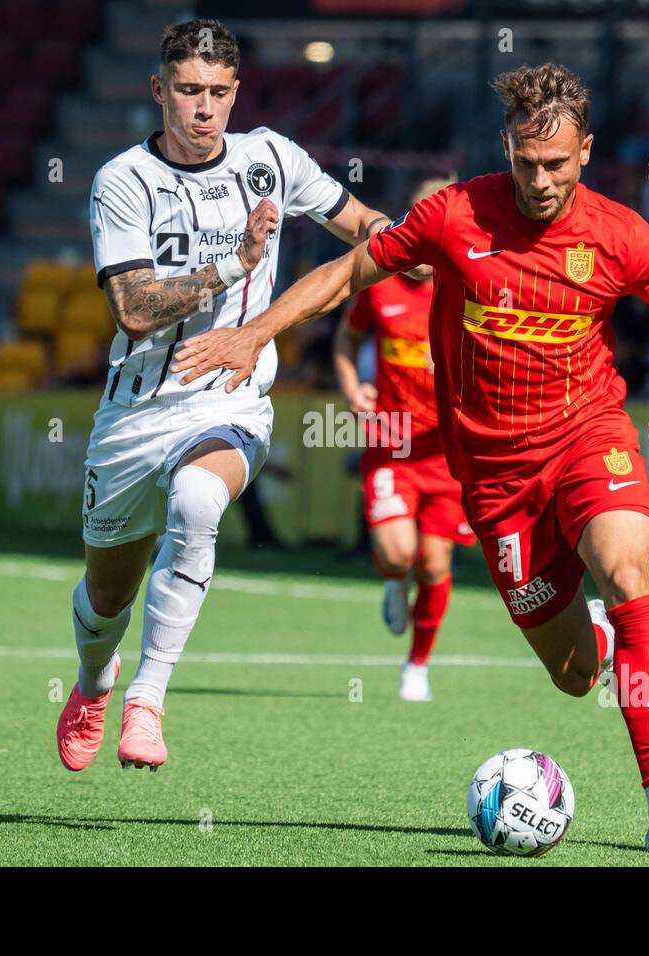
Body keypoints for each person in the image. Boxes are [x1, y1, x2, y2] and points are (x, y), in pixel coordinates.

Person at [170, 63, 649, 854]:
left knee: (628, 575)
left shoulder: (620, 235)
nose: (540, 181)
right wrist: (255, 331)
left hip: (589, 439)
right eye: (525, 162)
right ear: (506, 146)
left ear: (588, 151)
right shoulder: (453, 215)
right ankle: (611, 651)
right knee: (576, 675)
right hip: (494, 481)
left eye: (557, 164)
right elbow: (349, 270)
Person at [58, 19, 400, 772]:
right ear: (159, 91)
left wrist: (408, 248)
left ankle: (147, 699)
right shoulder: (123, 181)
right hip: (136, 410)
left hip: (229, 400)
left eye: (217, 92)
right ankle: (93, 681)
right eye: (187, 91)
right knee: (104, 600)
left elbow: (360, 224)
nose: (204, 107)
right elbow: (134, 308)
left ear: (235, 92)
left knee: (198, 504)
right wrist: (231, 266)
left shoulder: (270, 158)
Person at [333, 176, 481, 701]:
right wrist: (353, 387)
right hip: (392, 445)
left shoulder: (469, 286)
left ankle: (416, 666)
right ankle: (394, 581)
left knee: (435, 563)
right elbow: (346, 339)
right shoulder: (380, 283)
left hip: (448, 456)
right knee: (399, 555)